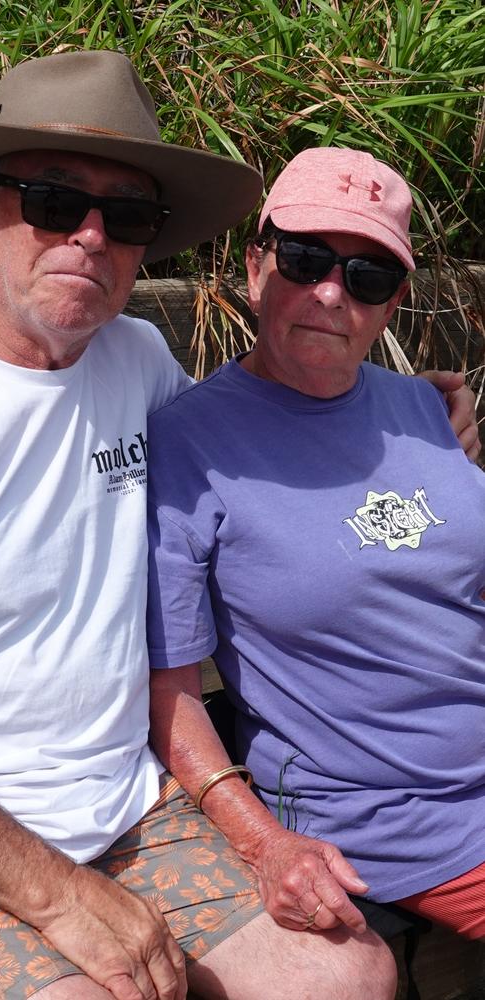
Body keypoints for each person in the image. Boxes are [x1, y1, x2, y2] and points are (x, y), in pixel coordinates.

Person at [0, 57, 475, 1000]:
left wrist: (406, 417)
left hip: (125, 805)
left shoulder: (134, 360)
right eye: (54, 202)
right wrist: (55, 896)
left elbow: (267, 439)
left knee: (343, 974)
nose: (91, 239)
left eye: (126, 217)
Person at [146, 145, 485, 956]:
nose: (332, 293)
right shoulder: (189, 444)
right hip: (398, 818)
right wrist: (264, 843)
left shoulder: (423, 407)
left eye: (367, 278)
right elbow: (168, 689)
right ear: (257, 266)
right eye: (306, 259)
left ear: (394, 302)